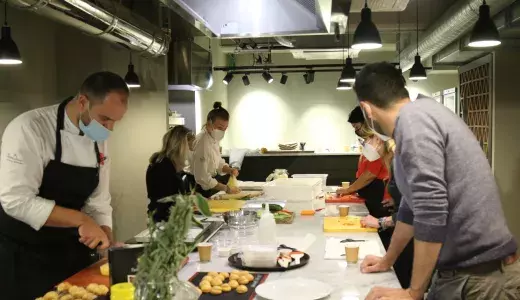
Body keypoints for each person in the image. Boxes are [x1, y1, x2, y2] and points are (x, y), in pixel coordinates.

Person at [354, 62, 519, 300]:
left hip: (480, 278)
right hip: (466, 273)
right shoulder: (419, 117)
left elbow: (431, 210)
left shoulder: (413, 121)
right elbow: (410, 209)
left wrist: (413, 293)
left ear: (366, 109)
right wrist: (386, 260)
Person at [0, 72, 129, 300]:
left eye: (115, 122)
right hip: (24, 254)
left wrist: (105, 239)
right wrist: (81, 220)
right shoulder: (30, 128)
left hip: (69, 252)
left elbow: (98, 201)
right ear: (82, 102)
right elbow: (15, 200)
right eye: (104, 119)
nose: (110, 129)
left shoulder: (99, 138)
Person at [191, 102, 240, 198]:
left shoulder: (213, 138)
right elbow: (202, 177)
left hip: (209, 185)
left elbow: (217, 162)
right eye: (219, 128)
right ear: (209, 123)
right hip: (197, 188)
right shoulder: (202, 141)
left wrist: (229, 170)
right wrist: (227, 189)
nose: (222, 132)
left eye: (225, 129)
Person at [146, 125, 195, 223]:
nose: (190, 150)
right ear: (181, 145)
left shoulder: (170, 165)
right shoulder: (163, 166)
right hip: (164, 222)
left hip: (170, 219)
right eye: (189, 146)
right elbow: (166, 199)